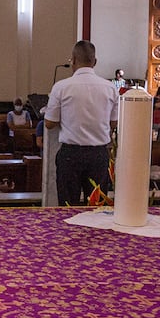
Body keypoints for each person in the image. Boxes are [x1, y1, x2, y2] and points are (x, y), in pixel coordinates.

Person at [44, 40, 119, 206]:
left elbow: (49, 124)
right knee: (97, 206)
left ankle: (69, 232)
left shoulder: (61, 87)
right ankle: (95, 233)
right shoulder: (110, 88)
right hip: (98, 154)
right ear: (95, 62)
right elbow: (114, 123)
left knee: (68, 204)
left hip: (71, 154)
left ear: (73, 60)